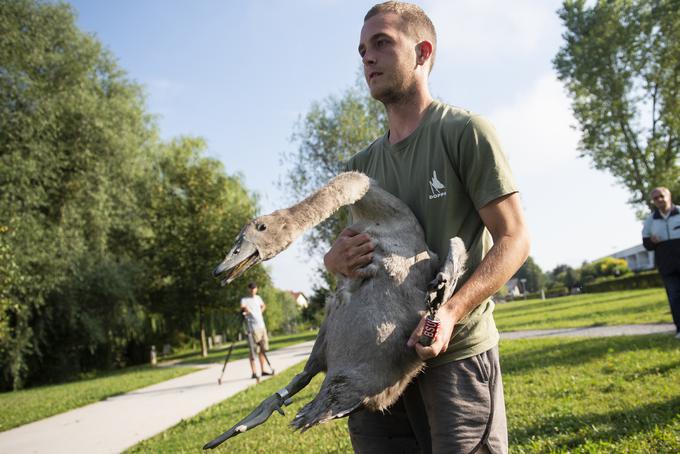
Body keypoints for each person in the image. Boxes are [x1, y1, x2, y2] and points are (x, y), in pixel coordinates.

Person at [323, 2, 530, 453]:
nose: (367, 58)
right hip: (376, 370)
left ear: (422, 52)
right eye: (361, 50)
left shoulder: (464, 132)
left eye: (381, 43)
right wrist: (334, 262)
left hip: (455, 358)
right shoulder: (360, 169)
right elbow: (364, 266)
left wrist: (451, 312)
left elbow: (515, 238)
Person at [642, 187, 680, 338]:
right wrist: (651, 241)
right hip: (667, 267)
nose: (659, 200)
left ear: (668, 196)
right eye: (655, 198)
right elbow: (646, 244)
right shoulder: (650, 221)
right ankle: (679, 329)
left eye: (661, 196)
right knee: (674, 298)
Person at [240, 282, 273, 379]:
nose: (253, 290)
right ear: (248, 289)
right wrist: (247, 311)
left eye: (254, 288)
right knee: (253, 351)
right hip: (252, 329)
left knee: (262, 350)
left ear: (256, 289)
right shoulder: (245, 300)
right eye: (251, 288)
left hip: (262, 327)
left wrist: (259, 312)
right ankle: (254, 372)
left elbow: (263, 306)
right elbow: (243, 308)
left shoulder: (258, 298)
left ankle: (263, 371)